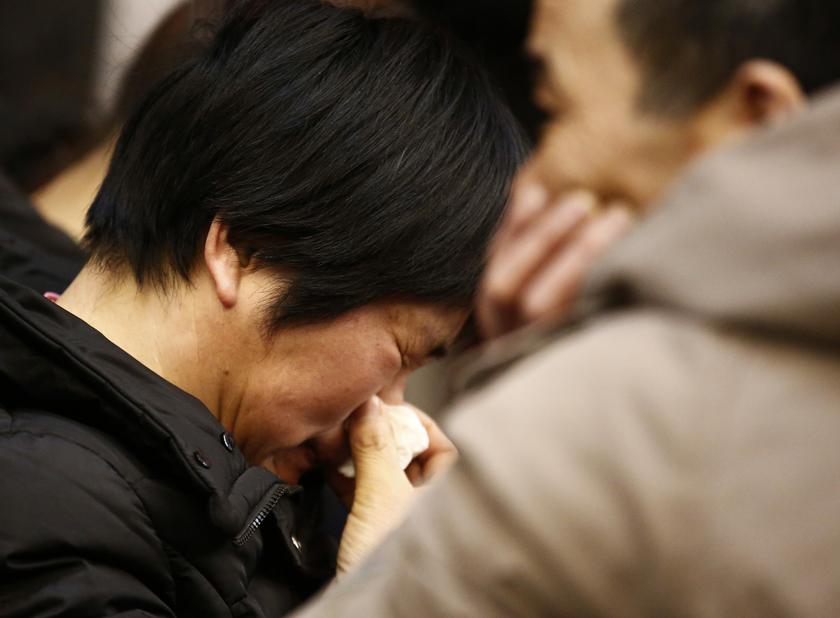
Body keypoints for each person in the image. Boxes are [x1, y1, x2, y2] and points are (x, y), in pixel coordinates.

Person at [291, 0, 840, 615]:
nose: (530, 184)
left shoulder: (622, 429)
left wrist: (533, 410)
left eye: (556, 110)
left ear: (757, 118)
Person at [0, 1, 526, 615]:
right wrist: (389, 593)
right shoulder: (38, 505)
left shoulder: (241, 491)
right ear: (244, 252)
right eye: (403, 354)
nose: (387, 411)